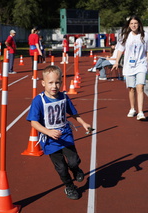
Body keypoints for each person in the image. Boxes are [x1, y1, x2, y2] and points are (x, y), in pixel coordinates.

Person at [26, 65, 92, 200]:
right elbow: (33, 122)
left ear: (61, 83)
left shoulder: (64, 97)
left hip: (65, 134)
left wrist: (84, 123)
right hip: (49, 139)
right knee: (61, 168)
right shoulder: (39, 100)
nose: (54, 86)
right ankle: (70, 187)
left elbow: (73, 113)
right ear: (43, 83)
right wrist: (48, 132)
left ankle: (76, 170)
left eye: (57, 82)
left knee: (73, 161)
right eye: (50, 83)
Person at [112, 15, 148, 120]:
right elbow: (120, 50)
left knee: (140, 87)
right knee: (131, 89)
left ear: (139, 24)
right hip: (129, 66)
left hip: (141, 64)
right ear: (129, 25)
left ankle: (140, 112)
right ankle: (132, 108)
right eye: (131, 23)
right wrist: (116, 62)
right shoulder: (125, 36)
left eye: (135, 23)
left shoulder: (145, 35)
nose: (133, 25)